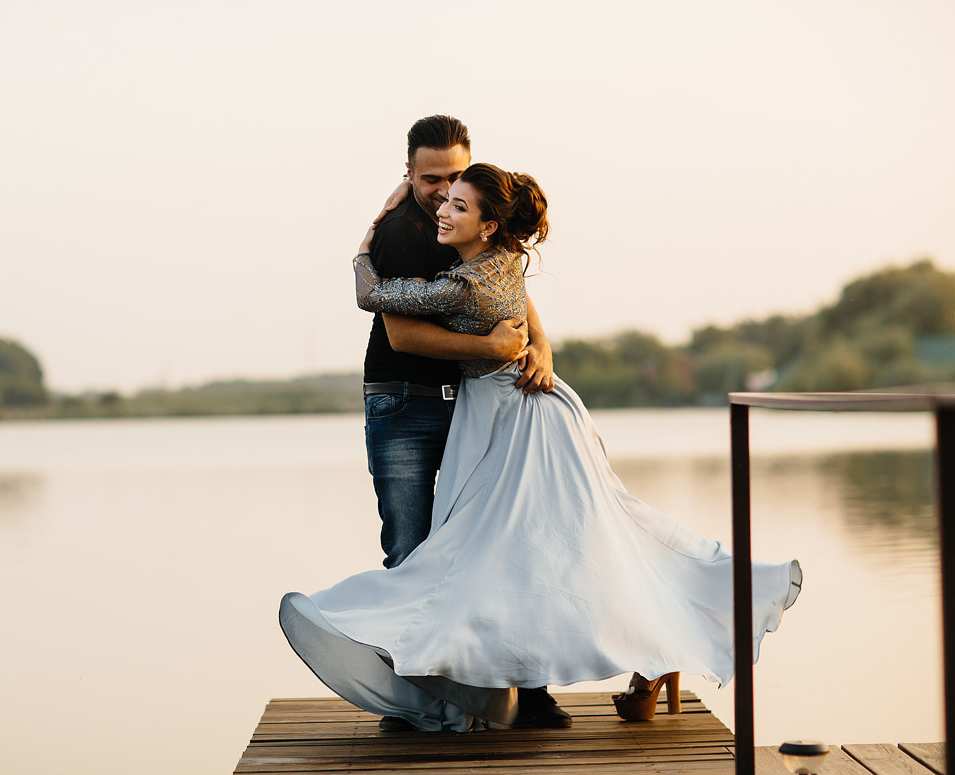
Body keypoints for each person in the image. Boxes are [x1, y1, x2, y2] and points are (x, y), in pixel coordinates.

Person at [280, 163, 801, 732]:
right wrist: (514, 343)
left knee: (524, 555)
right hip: (523, 410)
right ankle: (636, 659)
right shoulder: (502, 261)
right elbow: (510, 322)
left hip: (516, 418)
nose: (443, 211)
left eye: (458, 205)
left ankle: (619, 659)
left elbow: (373, 295)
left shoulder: (466, 281)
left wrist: (365, 241)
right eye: (443, 199)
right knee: (570, 548)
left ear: (488, 224)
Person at [359, 116, 568, 730]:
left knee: (502, 540)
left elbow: (514, 290)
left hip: (472, 406)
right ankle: (414, 693)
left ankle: (523, 689)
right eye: (430, 179)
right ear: (409, 174)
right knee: (411, 545)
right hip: (405, 403)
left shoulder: (477, 213)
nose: (441, 191)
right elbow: (401, 330)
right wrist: (499, 351)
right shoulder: (400, 233)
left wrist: (540, 347)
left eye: (453, 177)